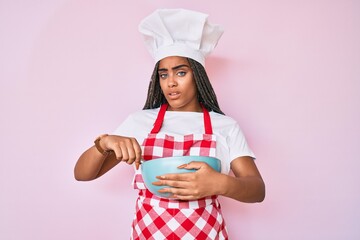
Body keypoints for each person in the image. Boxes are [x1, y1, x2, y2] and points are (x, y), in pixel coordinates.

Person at [74, 8, 265, 240]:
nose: (171, 83)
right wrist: (104, 143)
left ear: (198, 75)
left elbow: (257, 189)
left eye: (181, 72)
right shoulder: (140, 122)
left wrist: (221, 183)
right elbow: (82, 174)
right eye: (163, 75)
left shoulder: (224, 126)